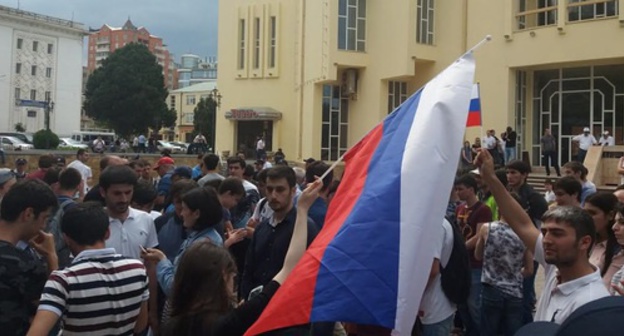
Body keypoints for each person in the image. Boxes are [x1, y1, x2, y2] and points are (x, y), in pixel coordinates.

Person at [160, 179, 323, 336]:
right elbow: (290, 268)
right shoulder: (227, 323)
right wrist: (302, 210)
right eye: (232, 275)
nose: (234, 279)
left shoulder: (172, 324)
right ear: (222, 277)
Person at [475, 149, 609, 324]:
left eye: (557, 234)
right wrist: (490, 177)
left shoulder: (593, 302)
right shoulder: (555, 268)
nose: (546, 240)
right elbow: (522, 224)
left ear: (584, 242)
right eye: (544, 232)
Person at [27, 203, 150, 336]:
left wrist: (51, 256)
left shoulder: (63, 280)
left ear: (66, 238)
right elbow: (140, 325)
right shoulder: (137, 269)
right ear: (107, 233)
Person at [240, 166, 319, 300]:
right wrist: (244, 298)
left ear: (293, 191)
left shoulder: (304, 228)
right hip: (256, 305)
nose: (273, 195)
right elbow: (249, 269)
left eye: (280, 190)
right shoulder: (262, 228)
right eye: (269, 189)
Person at [142, 187, 224, 298]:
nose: (181, 214)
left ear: (196, 213)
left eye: (185, 209)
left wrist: (162, 260)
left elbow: (174, 288)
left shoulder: (201, 248)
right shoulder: (201, 237)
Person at [0, 179, 58, 334]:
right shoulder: (23, 264)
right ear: (28, 214)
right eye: (44, 218)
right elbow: (50, 307)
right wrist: (51, 257)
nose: (43, 226)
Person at [475, 192, 534, 336]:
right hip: (514, 291)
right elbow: (529, 270)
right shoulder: (524, 235)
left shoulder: (487, 228)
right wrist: (514, 274)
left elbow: (477, 255)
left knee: (488, 330)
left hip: (491, 288)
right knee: (512, 330)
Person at [584, 192, 622, 287]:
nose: (587, 218)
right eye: (585, 213)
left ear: (610, 215)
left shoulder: (618, 249)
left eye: (592, 213)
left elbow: (606, 286)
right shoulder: (584, 241)